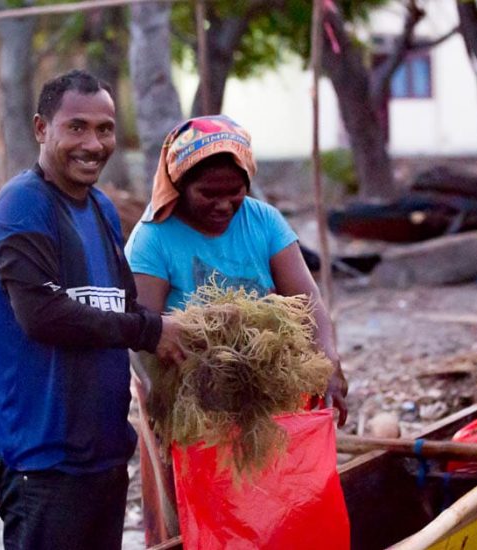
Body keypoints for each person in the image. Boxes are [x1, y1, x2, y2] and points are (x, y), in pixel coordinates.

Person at [0, 69, 184, 550]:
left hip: (104, 453)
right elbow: (43, 315)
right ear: (41, 129)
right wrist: (152, 331)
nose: (93, 143)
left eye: (105, 129)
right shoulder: (23, 205)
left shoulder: (102, 210)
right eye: (77, 127)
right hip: (43, 460)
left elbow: (121, 309)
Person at [124, 115, 349, 544]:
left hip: (266, 399)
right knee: (197, 522)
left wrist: (329, 362)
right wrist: (181, 396)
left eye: (235, 191)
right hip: (190, 410)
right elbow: (140, 336)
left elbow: (308, 301)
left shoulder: (263, 221)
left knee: (275, 509)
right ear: (178, 186)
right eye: (209, 193)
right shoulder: (153, 239)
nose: (225, 204)